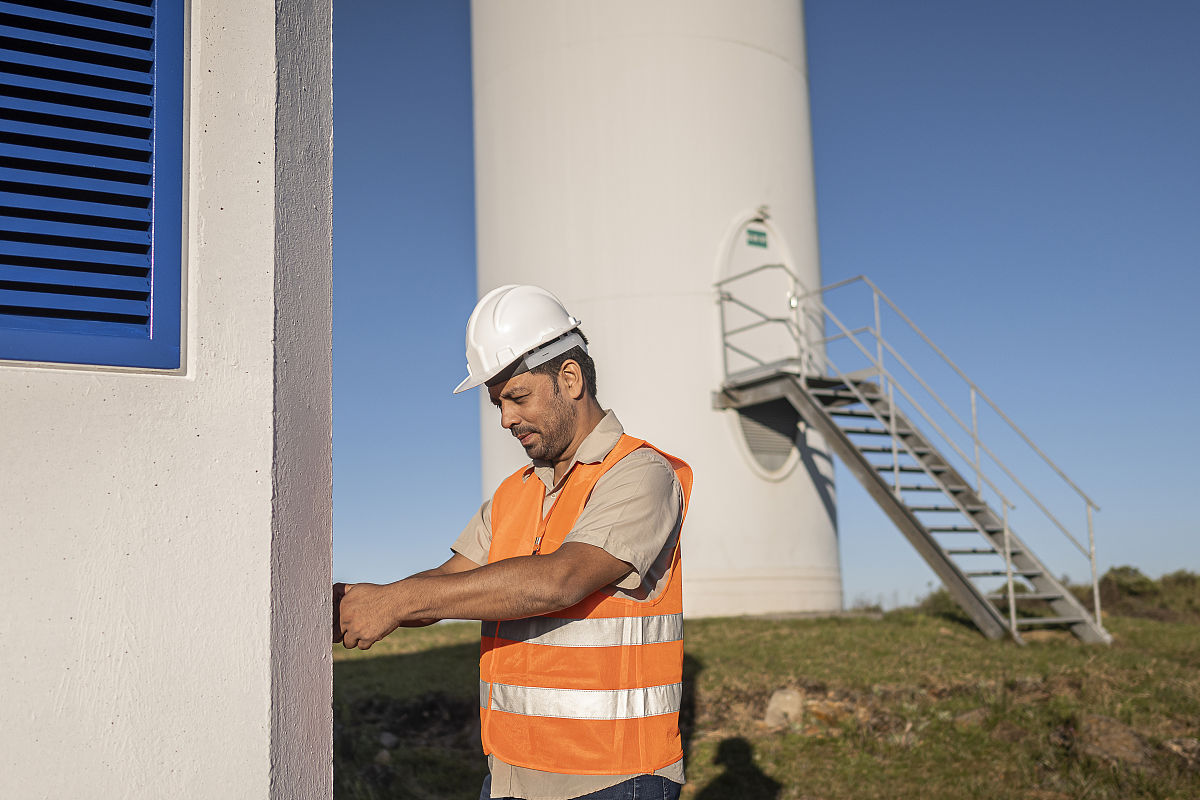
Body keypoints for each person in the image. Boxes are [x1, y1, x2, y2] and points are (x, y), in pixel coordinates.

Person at [335, 284, 693, 800]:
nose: (505, 419)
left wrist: (397, 601)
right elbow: (451, 580)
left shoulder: (639, 474)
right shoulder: (515, 492)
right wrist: (359, 601)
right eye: (497, 403)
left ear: (569, 378)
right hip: (510, 774)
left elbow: (559, 580)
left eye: (517, 397)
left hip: (613, 778)